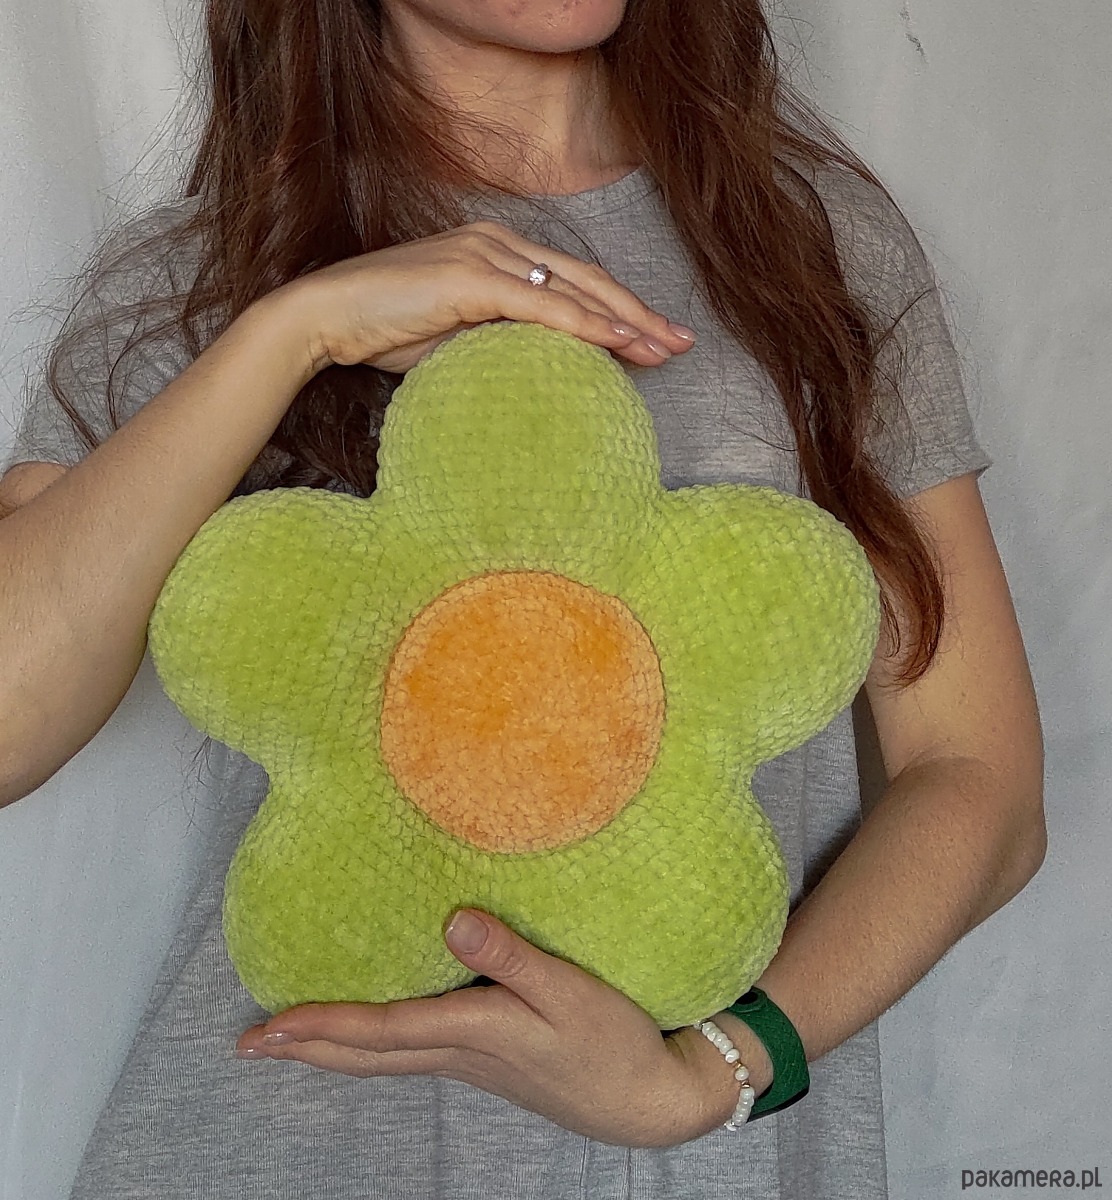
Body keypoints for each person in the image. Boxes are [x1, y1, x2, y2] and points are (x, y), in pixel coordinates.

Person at [0, 0, 1047, 1196]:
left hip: (703, 1167)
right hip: (288, 1150)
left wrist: (712, 1071)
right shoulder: (203, 278)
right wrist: (295, 331)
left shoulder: (804, 248)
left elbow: (977, 780)